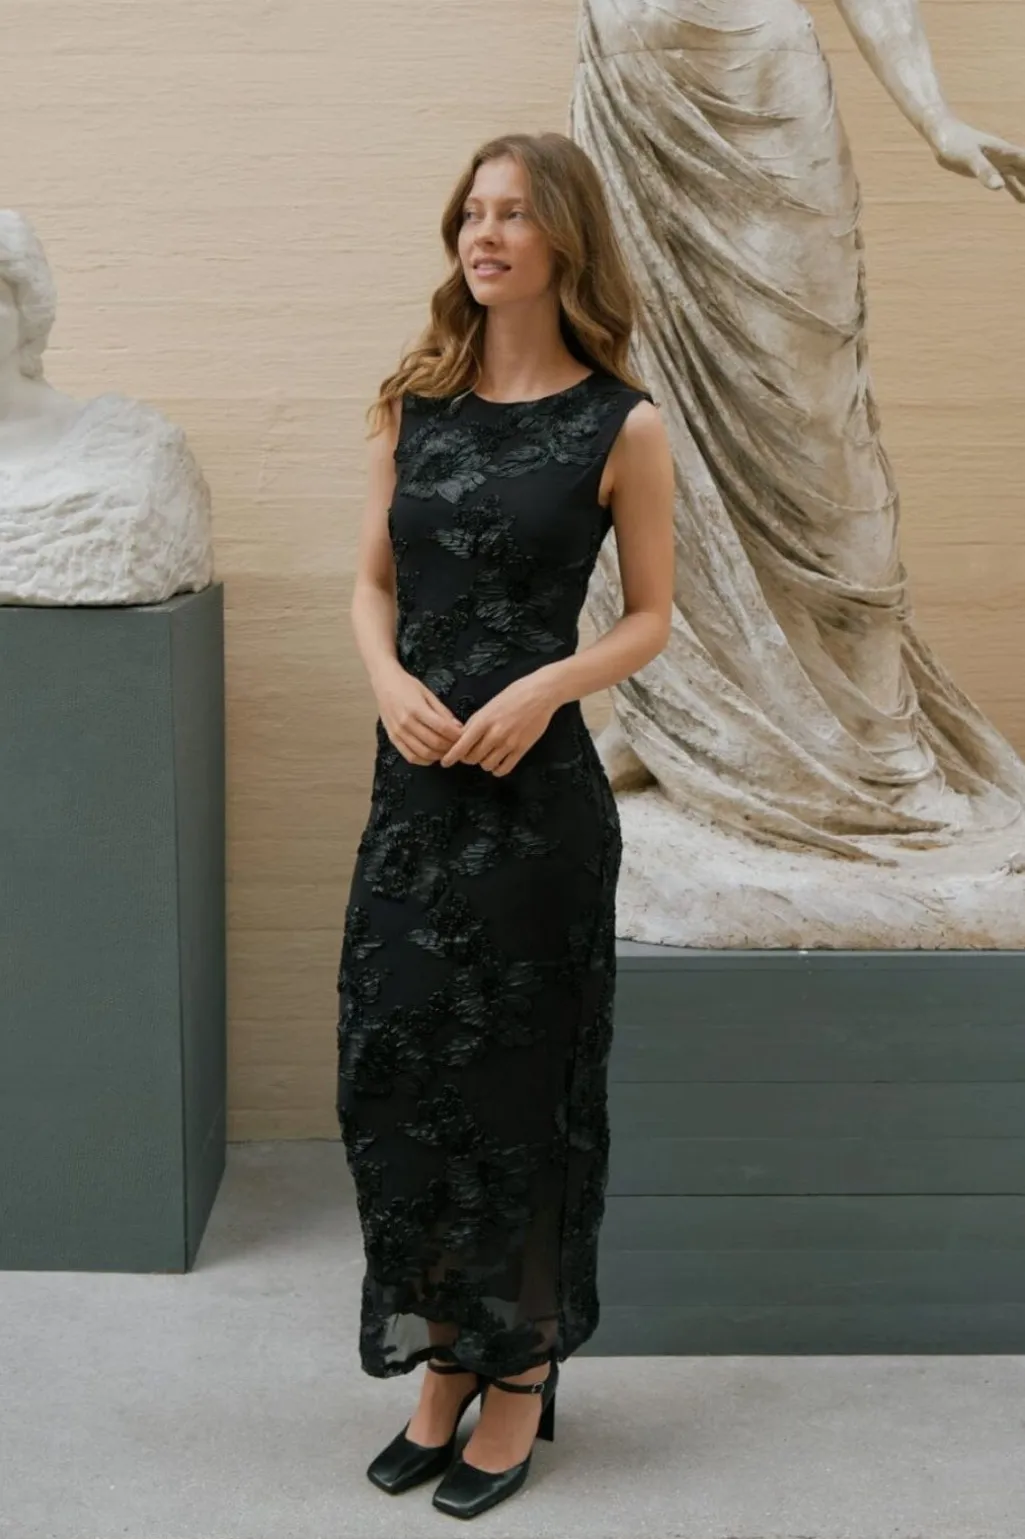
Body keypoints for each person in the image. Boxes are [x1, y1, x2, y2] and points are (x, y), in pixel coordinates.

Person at [336, 130, 674, 1519]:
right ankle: (443, 1358)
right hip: (414, 794)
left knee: (520, 1090)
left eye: (515, 213)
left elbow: (650, 617)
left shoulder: (621, 425)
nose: (484, 234)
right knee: (401, 1072)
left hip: (538, 811)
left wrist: (547, 684)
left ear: (562, 241)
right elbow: (371, 584)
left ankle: (519, 1371)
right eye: (472, 212)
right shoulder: (411, 404)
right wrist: (387, 680)